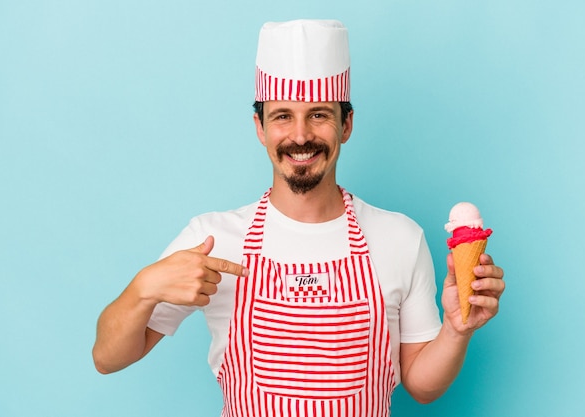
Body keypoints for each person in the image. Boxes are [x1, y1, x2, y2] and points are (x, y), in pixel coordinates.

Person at [92, 19, 505, 416]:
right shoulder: (213, 240)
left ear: (347, 125)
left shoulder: (399, 237)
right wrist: (143, 288)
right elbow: (108, 359)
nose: (302, 134)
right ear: (260, 127)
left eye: (320, 114)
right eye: (282, 115)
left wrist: (456, 329)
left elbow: (421, 384)